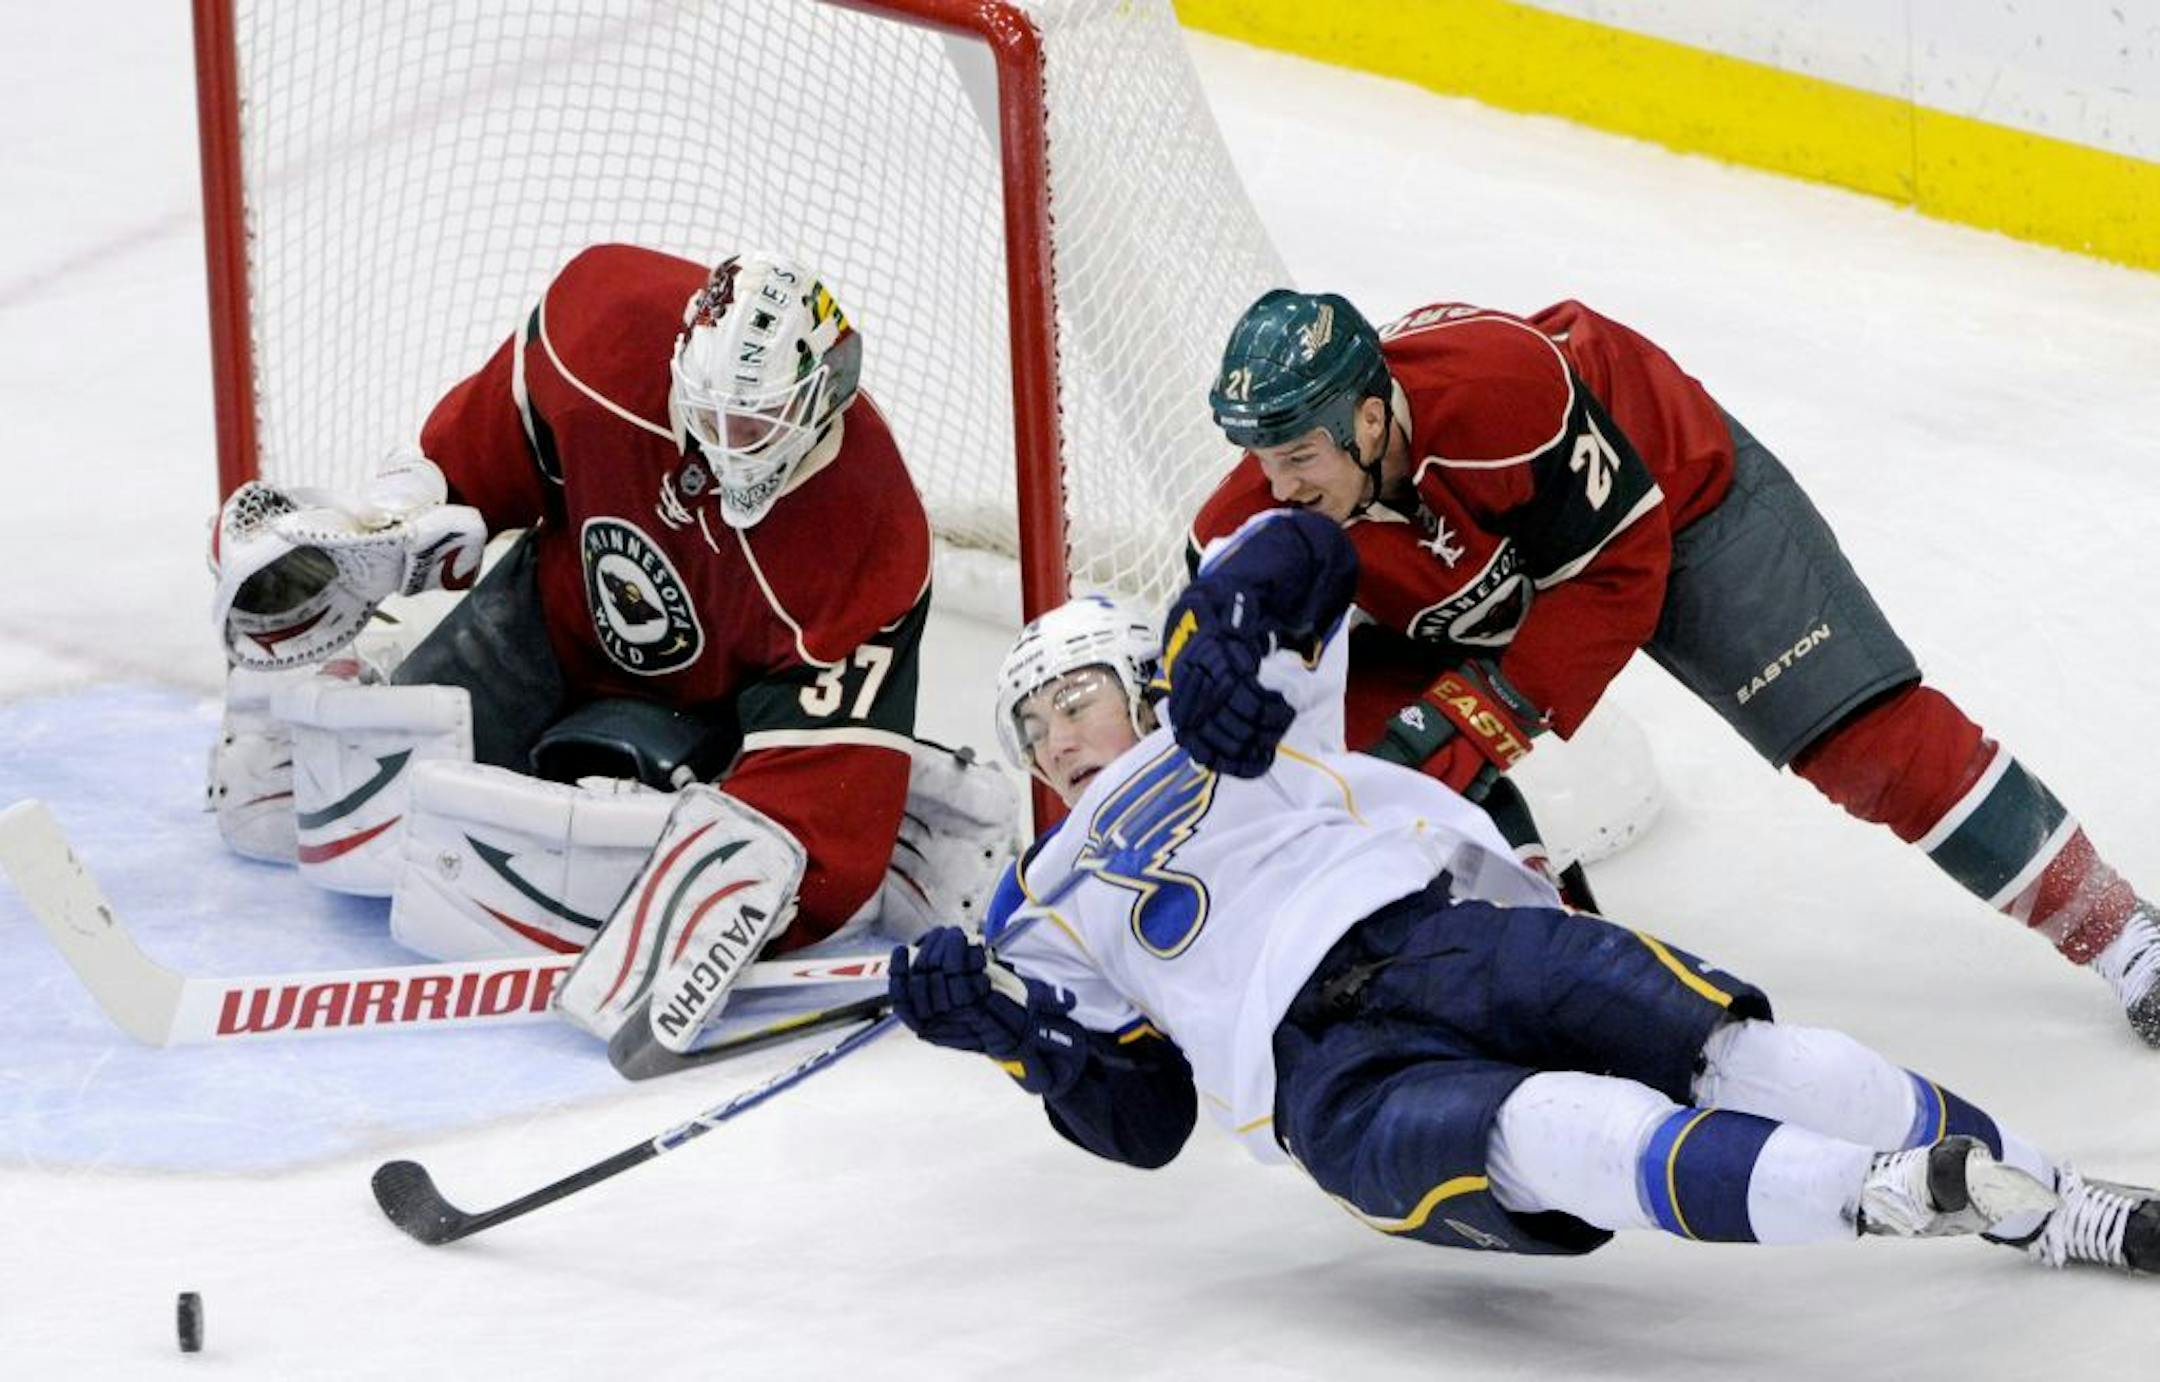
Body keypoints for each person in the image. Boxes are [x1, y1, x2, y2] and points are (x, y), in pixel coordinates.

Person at [889, 509, 2157, 1272]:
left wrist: (1224, 630)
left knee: (1729, 1050)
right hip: (1322, 1083)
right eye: (1028, 721)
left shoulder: (1237, 708)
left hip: (1439, 937)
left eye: (1072, 694)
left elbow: (1308, 547)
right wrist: (1017, 1036)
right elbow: (1147, 1118)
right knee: (1554, 1134)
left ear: (1137, 678)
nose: (1053, 731)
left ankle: (2048, 1200)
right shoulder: (1035, 909)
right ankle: (1867, 1197)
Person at [1187, 289, 2160, 1044]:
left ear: (1367, 419)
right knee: (1385, 765)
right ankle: (1558, 996)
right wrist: (1202, 680)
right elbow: (1224, 667)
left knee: (1864, 741)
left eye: (1300, 452)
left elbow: (1617, 572)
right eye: (1262, 456)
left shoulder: (1502, 391)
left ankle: (2124, 936)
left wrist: (1486, 708)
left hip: (1666, 503)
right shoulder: (1254, 514)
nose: (1280, 486)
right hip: (1457, 577)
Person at [206, 245, 1014, 1056]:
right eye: (710, 413)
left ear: (826, 394)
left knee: (676, 868)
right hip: (550, 618)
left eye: (758, 422)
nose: (728, 444)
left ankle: (908, 806)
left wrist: (759, 872)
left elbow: (816, 805)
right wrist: (407, 512)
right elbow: (483, 452)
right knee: (284, 805)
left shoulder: (867, 532)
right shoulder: (603, 326)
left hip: (721, 713)